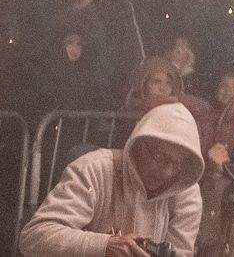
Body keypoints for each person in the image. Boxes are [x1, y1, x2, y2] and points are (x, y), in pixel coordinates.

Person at [19, 102, 205, 257]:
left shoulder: (187, 194)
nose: (166, 172)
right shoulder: (93, 168)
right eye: (158, 157)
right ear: (138, 144)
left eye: (175, 164)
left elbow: (180, 253)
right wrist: (104, 246)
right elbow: (34, 236)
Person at [28, 0, 142, 115]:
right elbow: (41, 66)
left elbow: (133, 60)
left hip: (107, 116)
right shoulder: (50, 16)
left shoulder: (116, 8)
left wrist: (116, 108)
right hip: (61, 117)